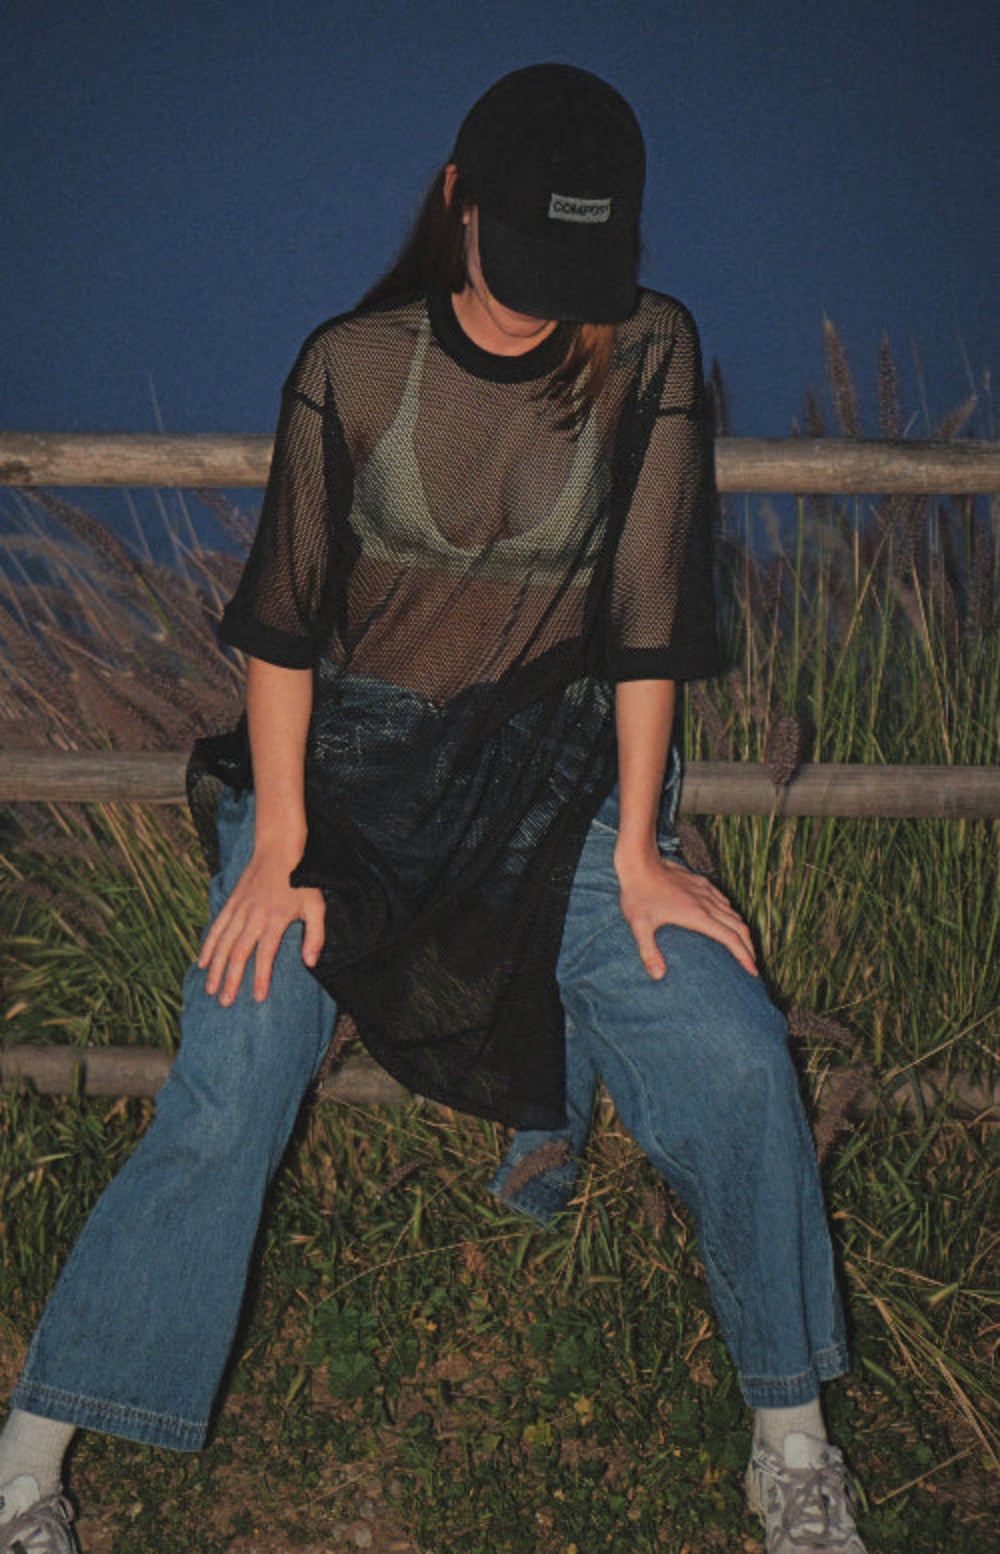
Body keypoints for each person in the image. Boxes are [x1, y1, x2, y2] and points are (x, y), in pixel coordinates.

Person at [0, 64, 868, 1554]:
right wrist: (275, 847)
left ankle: (791, 1447)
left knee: (724, 1034)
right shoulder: (352, 364)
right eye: (525, 256)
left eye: (575, 269)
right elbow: (279, 631)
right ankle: (30, 1453)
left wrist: (649, 850)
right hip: (339, 781)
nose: (543, 306)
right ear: (457, 199)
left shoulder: (650, 349)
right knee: (241, 1046)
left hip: (548, 788)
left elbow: (648, 628)